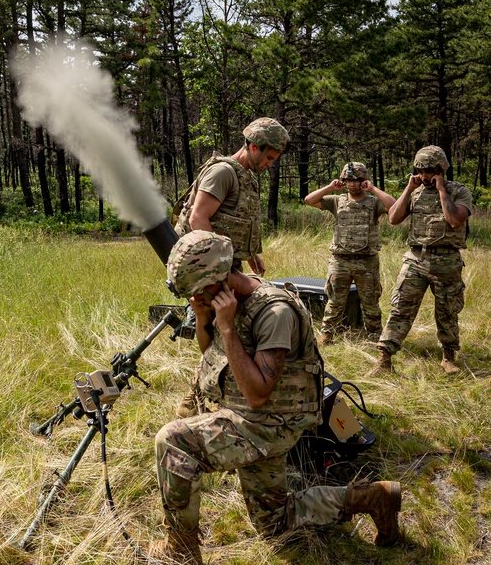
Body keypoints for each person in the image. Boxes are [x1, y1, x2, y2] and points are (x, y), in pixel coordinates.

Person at [153, 231, 402, 565]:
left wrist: (227, 328)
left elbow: (257, 394)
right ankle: (375, 498)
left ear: (219, 280)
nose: (196, 297)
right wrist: (203, 319)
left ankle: (180, 553)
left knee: (174, 441)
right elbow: (212, 356)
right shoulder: (226, 299)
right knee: (275, 524)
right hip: (250, 416)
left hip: (270, 423)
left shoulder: (275, 313)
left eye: (199, 291)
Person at [172, 117, 289, 418]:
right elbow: (199, 219)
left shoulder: (246, 175)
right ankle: (195, 399)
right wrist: (221, 274)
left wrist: (251, 255)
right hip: (210, 270)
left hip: (224, 266)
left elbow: (238, 222)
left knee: (231, 332)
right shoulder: (223, 173)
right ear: (252, 146)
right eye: (269, 157)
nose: (270, 164)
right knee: (218, 331)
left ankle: (213, 393)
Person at [370, 146, 472, 376]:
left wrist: (441, 190)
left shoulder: (459, 192)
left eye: (430, 171)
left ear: (441, 169)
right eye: (421, 170)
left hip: (447, 260)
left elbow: (455, 220)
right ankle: (383, 359)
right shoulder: (414, 192)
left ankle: (448, 357)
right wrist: (408, 188)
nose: (425, 175)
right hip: (416, 259)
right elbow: (394, 218)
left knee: (447, 311)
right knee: (400, 309)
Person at [304, 162, 396, 344]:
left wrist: (374, 189)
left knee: (370, 302)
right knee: (335, 300)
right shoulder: (337, 201)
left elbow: (393, 206)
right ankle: (328, 334)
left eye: (357, 180)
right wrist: (330, 187)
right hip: (341, 260)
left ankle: (374, 335)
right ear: (344, 181)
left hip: (367, 261)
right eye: (348, 181)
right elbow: (309, 200)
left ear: (364, 181)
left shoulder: (373, 203)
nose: (352, 184)